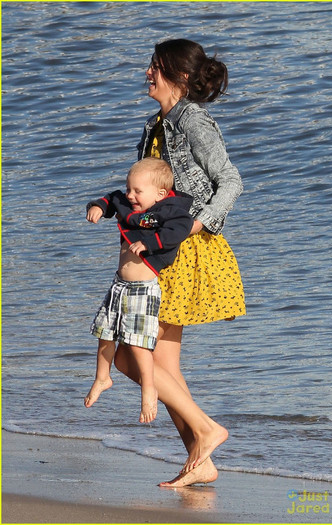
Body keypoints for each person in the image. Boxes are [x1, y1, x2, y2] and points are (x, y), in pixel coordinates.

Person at [113, 38, 246, 486]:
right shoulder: (157, 123)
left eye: (154, 66)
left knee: (134, 360)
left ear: (180, 76)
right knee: (160, 365)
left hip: (185, 252)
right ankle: (200, 459)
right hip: (161, 253)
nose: (146, 73)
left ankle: (208, 432)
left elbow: (230, 181)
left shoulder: (192, 120)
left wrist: (196, 224)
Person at [84, 157, 194, 423]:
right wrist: (98, 207)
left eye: (137, 191)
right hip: (119, 285)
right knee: (105, 331)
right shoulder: (127, 202)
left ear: (160, 193)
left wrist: (149, 243)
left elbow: (180, 229)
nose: (130, 196)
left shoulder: (170, 210)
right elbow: (112, 199)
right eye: (129, 188)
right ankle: (102, 377)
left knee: (137, 343)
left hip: (143, 289)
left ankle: (149, 387)